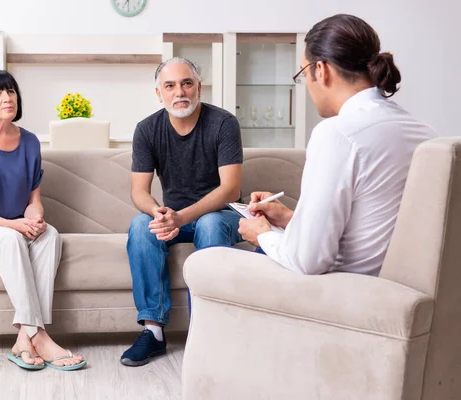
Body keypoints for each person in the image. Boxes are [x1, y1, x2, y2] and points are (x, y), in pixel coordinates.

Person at [238, 14, 438, 276]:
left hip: (344, 295)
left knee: (209, 263)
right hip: (400, 290)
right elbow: (373, 226)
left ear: (321, 70)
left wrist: (262, 233)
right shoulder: (425, 133)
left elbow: (307, 261)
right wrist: (290, 219)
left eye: (303, 73)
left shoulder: (338, 134)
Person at [0, 69, 86, 371]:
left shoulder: (31, 142)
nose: (7, 97)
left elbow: (33, 201)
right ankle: (41, 336)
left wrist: (35, 219)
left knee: (50, 235)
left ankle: (24, 339)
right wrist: (14, 226)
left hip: (14, 223)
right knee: (9, 239)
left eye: (10, 91)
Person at [120, 57, 244, 366]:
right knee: (140, 226)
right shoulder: (147, 129)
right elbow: (139, 191)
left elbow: (230, 190)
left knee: (210, 224)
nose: (180, 92)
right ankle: (153, 331)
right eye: (170, 86)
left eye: (187, 83)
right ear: (158, 93)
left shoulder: (223, 123)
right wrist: (158, 212)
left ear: (199, 87)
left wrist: (182, 217)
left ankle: (206, 331)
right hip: (175, 217)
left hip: (221, 214)